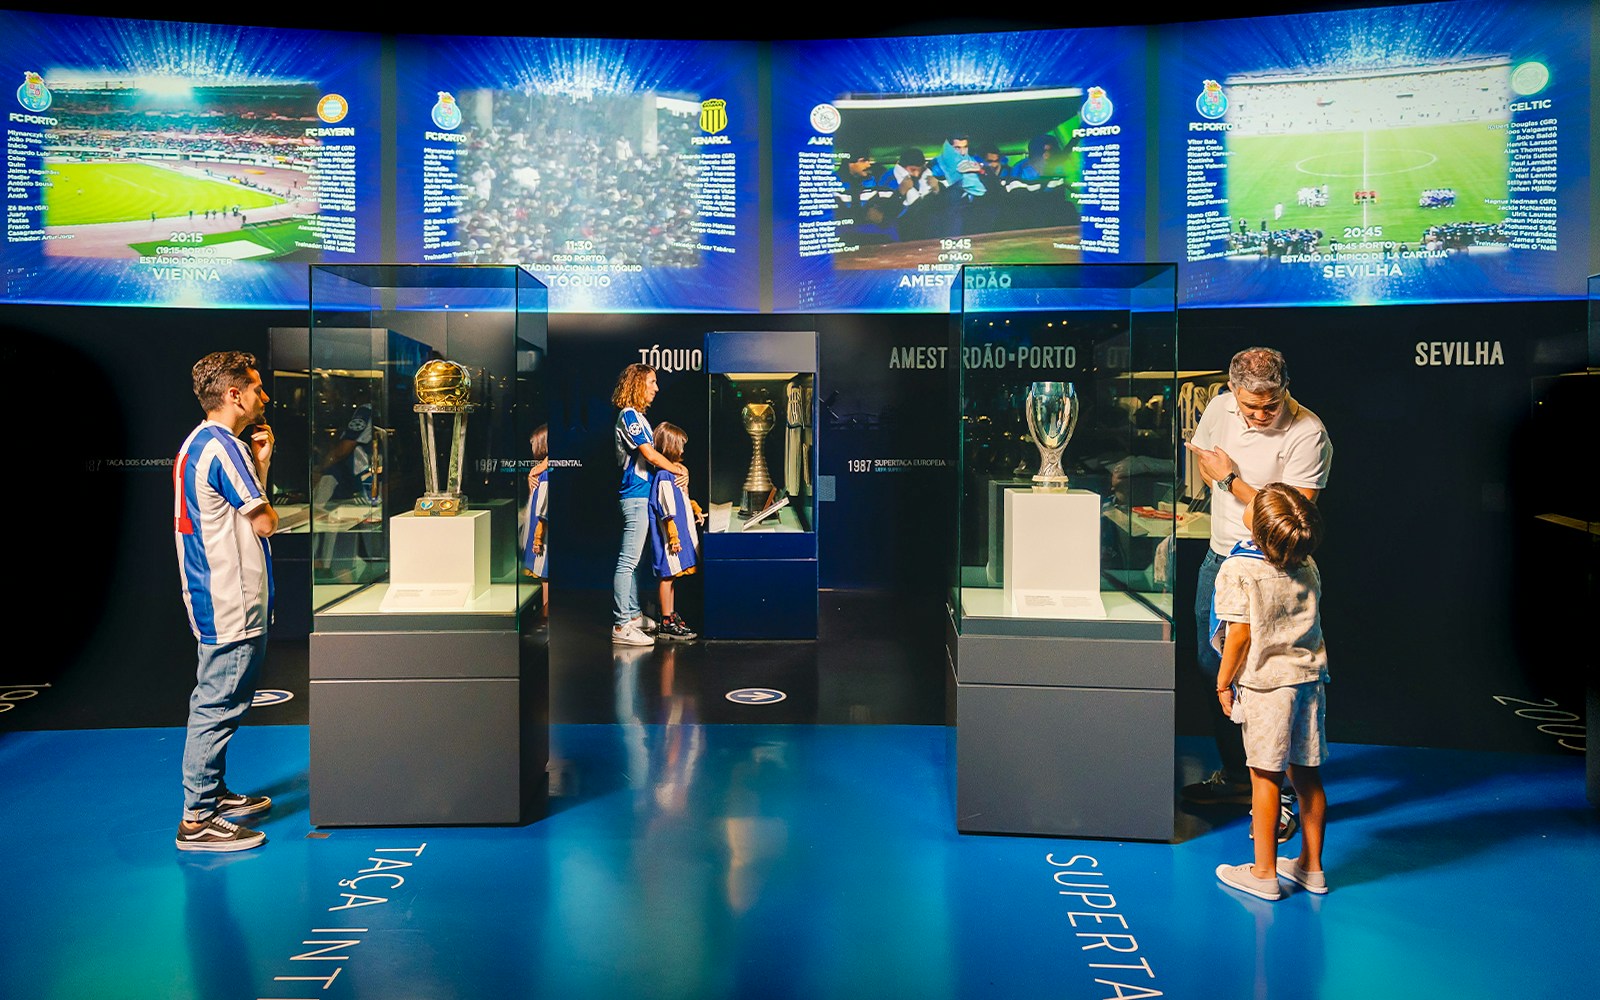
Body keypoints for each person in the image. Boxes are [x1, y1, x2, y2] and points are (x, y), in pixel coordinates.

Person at [1183, 347, 1332, 844]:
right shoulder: (1220, 407)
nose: (1262, 414)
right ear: (1232, 391)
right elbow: (1205, 461)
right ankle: (1240, 775)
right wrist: (1218, 474)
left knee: (1269, 678)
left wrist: (1231, 479)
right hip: (1220, 558)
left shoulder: (1308, 432)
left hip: (1275, 565)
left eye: (1271, 404)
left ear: (1284, 389)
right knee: (1214, 667)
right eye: (1252, 406)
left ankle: (1281, 793)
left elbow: (1290, 517)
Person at [172, 351, 279, 852]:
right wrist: (260, 463)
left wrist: (256, 463)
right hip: (228, 598)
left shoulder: (197, 443)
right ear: (234, 394)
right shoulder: (223, 447)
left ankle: (210, 795)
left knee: (218, 700)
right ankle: (196, 819)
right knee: (216, 705)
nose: (264, 397)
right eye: (256, 388)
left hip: (215, 592)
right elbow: (264, 521)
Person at [1212, 484, 1330, 900]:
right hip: (1309, 681)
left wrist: (1223, 681)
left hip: (1266, 686)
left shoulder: (1237, 569)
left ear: (1258, 529)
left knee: (1265, 779)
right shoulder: (1307, 562)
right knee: (1307, 775)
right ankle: (1310, 868)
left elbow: (1239, 636)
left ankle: (1263, 874)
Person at [611, 363, 688, 646]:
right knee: (627, 561)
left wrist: (678, 469)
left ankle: (631, 615)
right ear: (637, 384)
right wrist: (678, 470)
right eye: (652, 382)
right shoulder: (629, 416)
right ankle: (621, 626)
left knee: (635, 562)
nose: (656, 388)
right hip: (635, 496)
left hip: (643, 495)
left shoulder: (639, 417)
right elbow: (650, 455)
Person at [647, 422, 704, 641]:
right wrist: (673, 537)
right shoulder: (664, 476)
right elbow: (667, 510)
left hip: (675, 536)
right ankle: (666, 621)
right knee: (666, 576)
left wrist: (696, 510)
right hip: (670, 539)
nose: (682, 450)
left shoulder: (673, 473)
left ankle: (669, 615)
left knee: (670, 578)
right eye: (679, 445)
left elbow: (682, 500)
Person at [523, 423, 549, 619]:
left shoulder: (544, 474)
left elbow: (542, 510)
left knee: (546, 576)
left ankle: (547, 614)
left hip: (543, 536)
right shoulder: (539, 472)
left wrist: (537, 539)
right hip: (540, 532)